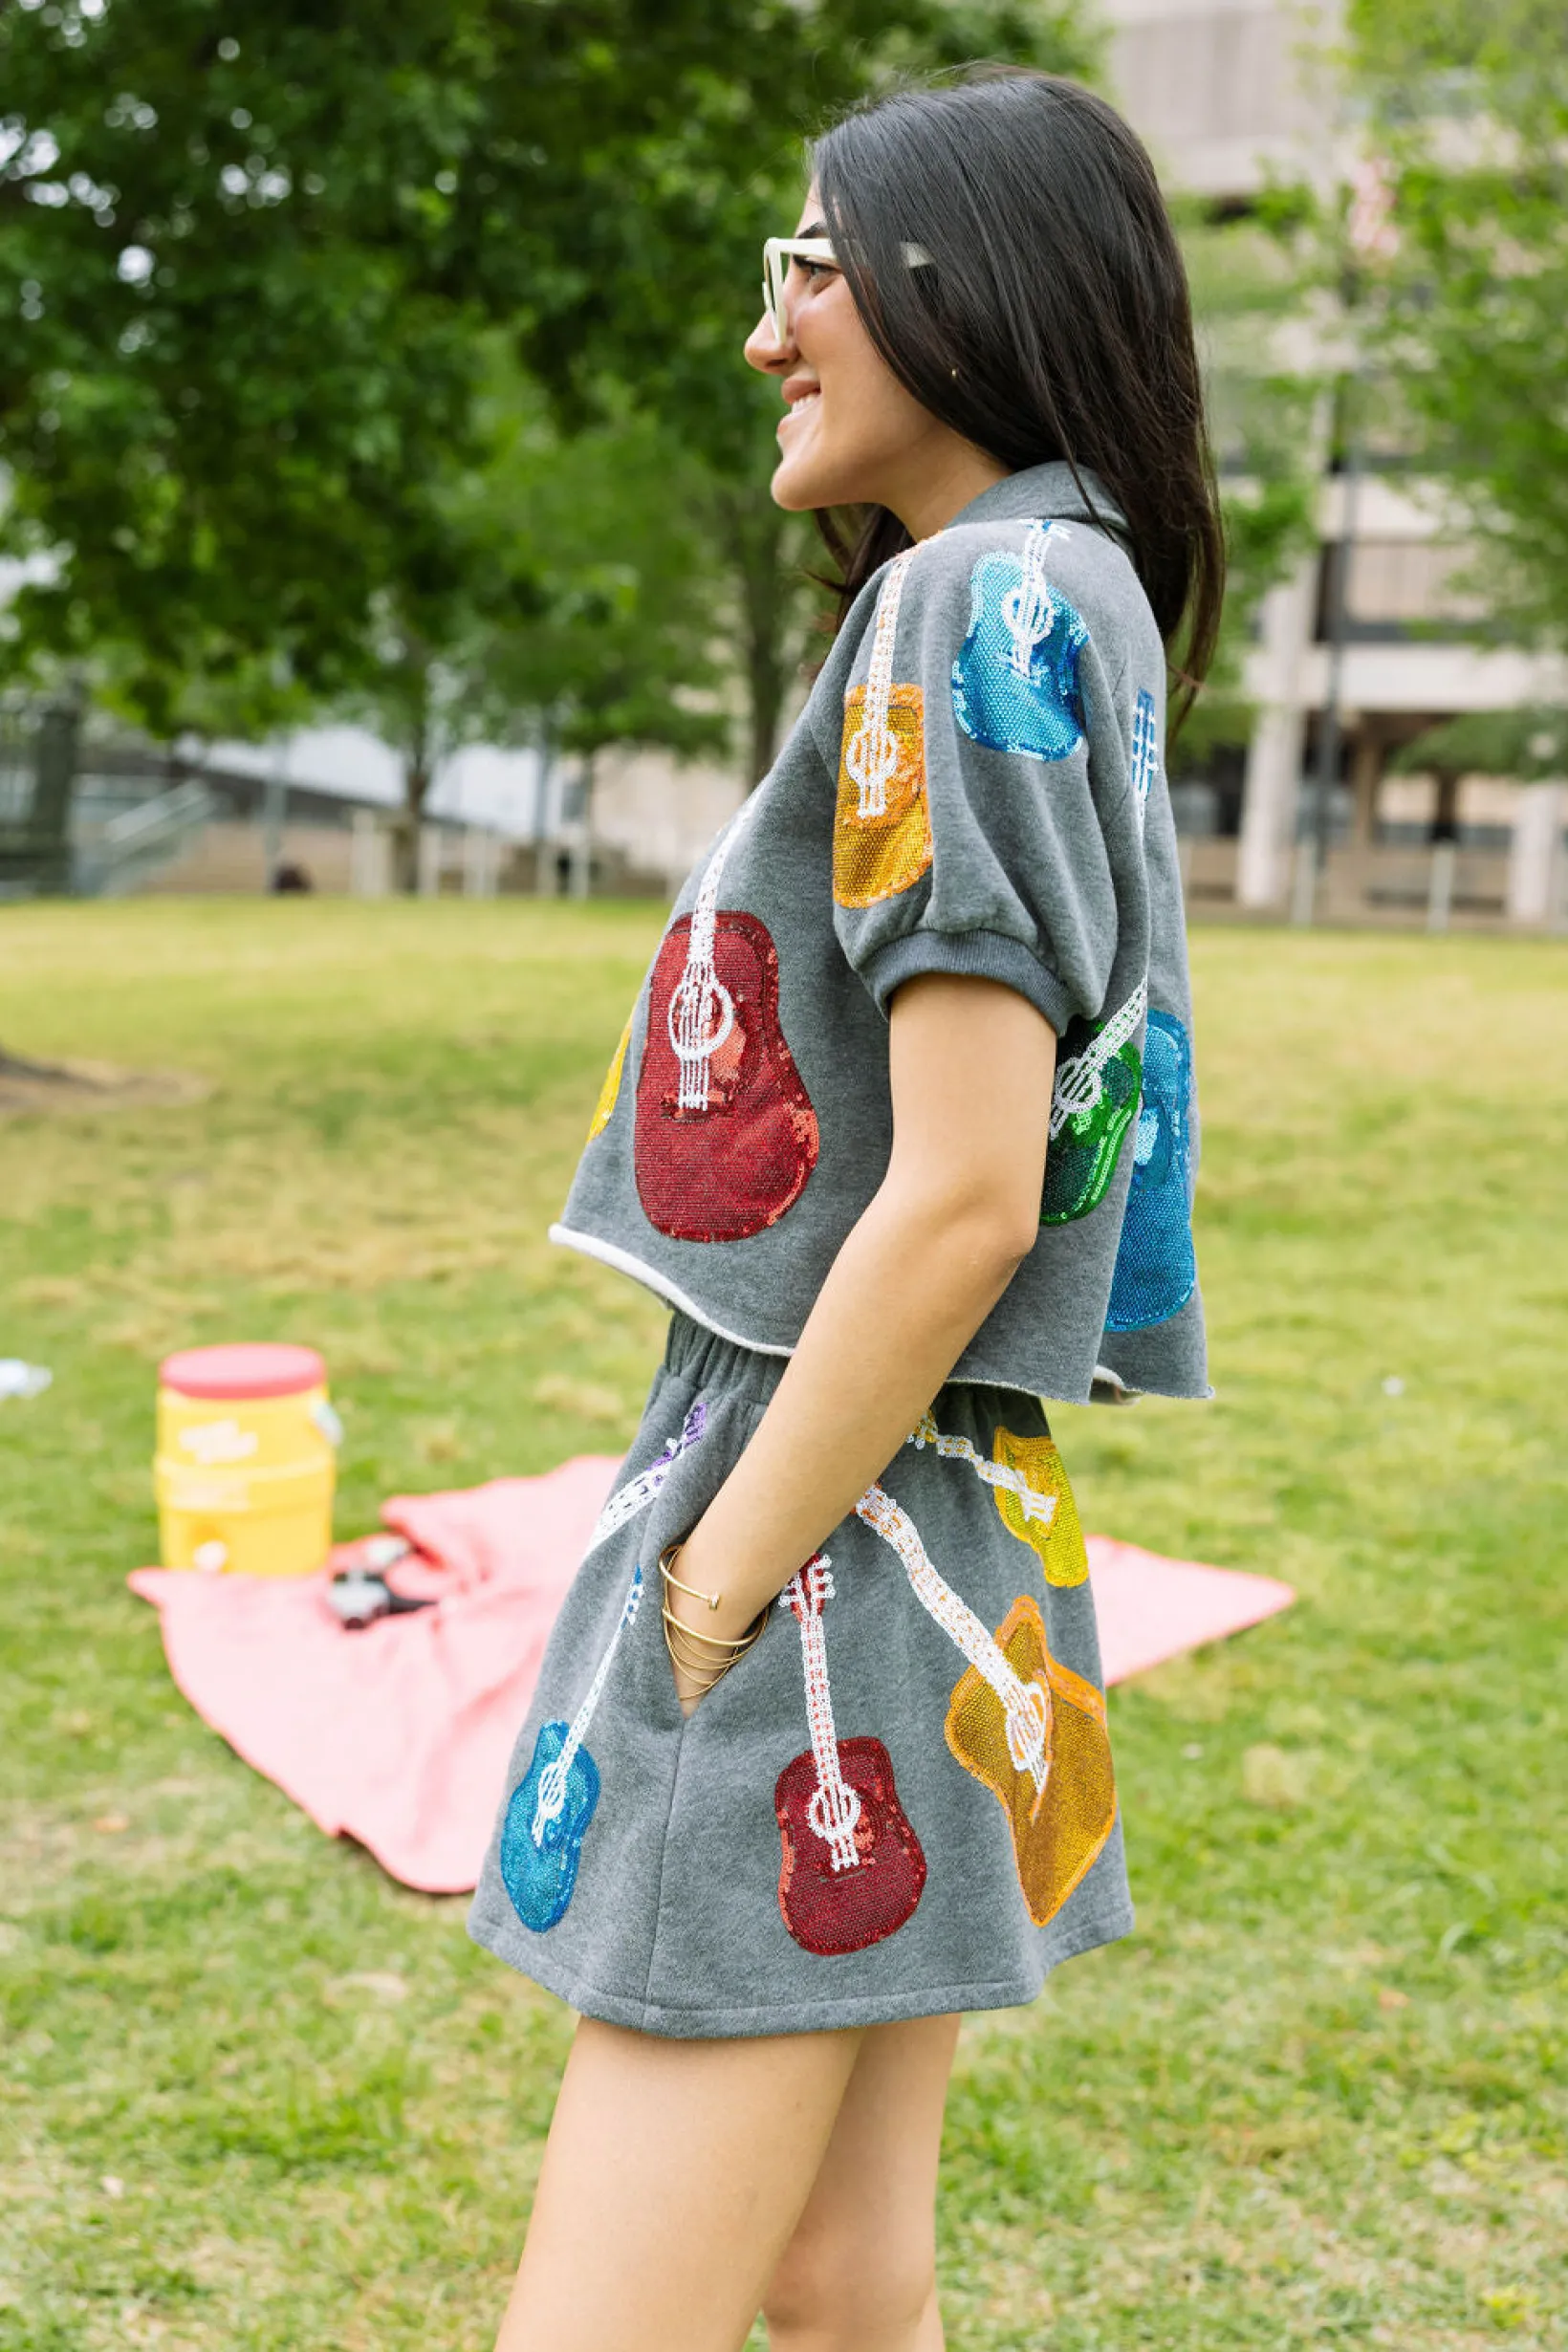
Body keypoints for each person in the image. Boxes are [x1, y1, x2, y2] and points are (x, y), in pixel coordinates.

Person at [468, 65, 1224, 2352]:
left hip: (823, 1525)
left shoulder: (966, 603)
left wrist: (706, 1590)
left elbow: (964, 1193)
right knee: (832, 2276)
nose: (764, 325)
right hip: (961, 1529)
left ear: (942, 282)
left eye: (804, 264)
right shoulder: (1068, 584)